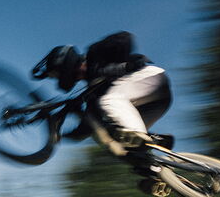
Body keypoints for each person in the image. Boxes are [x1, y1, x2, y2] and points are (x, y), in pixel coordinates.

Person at [31, 31, 173, 149]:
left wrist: (121, 65)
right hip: (155, 102)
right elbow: (87, 128)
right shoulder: (93, 92)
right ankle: (156, 167)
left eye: (58, 75)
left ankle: (138, 134)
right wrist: (61, 137)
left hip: (149, 77)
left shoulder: (95, 53)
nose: (58, 78)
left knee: (109, 100)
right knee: (118, 139)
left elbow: (125, 38)